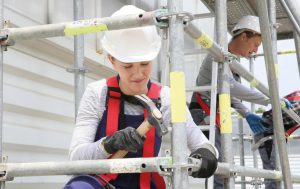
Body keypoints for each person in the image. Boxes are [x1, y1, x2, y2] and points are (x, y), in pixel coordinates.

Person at [64, 5, 218, 189]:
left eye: (144, 64)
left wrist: (205, 157)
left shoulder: (167, 98)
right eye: (128, 66)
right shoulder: (97, 93)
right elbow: (75, 158)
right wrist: (109, 144)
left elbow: (204, 145)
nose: (138, 74)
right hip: (102, 184)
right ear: (112, 60)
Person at [189, 15, 285, 189]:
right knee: (218, 164)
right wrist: (269, 98)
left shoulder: (233, 61)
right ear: (243, 37)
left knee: (225, 165)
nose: (255, 50)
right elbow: (230, 86)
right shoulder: (218, 55)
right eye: (255, 44)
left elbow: (230, 95)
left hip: (213, 114)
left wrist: (247, 113)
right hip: (202, 113)